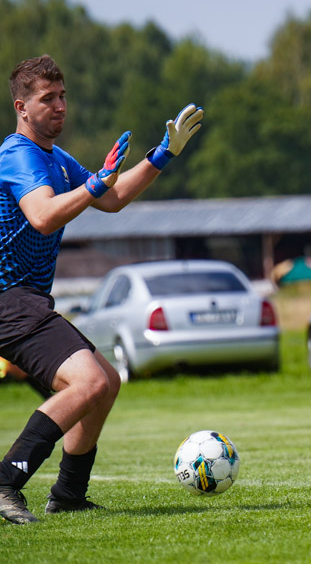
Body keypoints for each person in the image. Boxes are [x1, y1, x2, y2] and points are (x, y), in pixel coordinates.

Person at [0, 55, 204, 524]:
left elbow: (110, 198)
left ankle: (69, 494)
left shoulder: (54, 157)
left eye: (63, 96)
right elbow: (44, 215)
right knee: (88, 381)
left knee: (105, 383)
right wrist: (91, 185)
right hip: (9, 300)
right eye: (47, 99)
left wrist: (162, 154)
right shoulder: (18, 153)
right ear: (22, 107)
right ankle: (5, 483)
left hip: (26, 301)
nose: (60, 106)